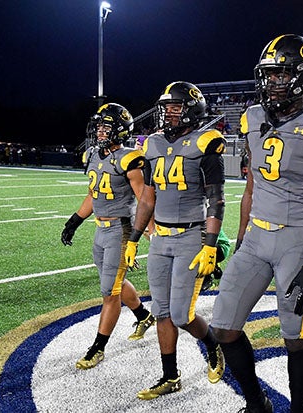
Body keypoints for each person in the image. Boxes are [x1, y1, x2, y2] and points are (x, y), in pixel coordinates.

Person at [211, 34, 303, 413]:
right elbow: (251, 187)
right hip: (255, 236)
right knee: (225, 328)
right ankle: (258, 403)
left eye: (282, 74)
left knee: (294, 338)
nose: (273, 82)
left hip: (295, 239)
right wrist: (240, 241)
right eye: (269, 75)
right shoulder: (252, 116)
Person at [124, 81, 226, 400]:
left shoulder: (206, 143)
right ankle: (171, 376)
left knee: (182, 315)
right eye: (165, 107)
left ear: (192, 110)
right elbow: (148, 198)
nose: (167, 113)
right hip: (161, 240)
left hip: (190, 237)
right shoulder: (152, 145)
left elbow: (217, 200)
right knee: (163, 312)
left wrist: (210, 244)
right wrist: (134, 238)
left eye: (174, 107)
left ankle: (212, 344)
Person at [61, 103, 156, 370]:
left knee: (109, 292)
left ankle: (98, 348)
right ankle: (143, 315)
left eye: (106, 127)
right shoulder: (92, 154)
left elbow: (144, 199)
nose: (100, 132)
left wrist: (148, 231)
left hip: (120, 229)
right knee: (113, 282)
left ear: (121, 131)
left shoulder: (129, 159)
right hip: (100, 230)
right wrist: (75, 220)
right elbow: (94, 194)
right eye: (99, 127)